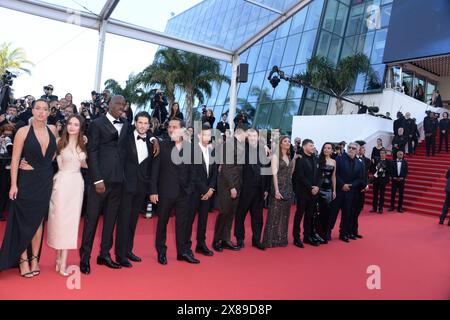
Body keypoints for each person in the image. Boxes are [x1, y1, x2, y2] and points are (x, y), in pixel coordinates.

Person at [0, 99, 57, 277]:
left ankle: (35, 260)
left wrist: (43, 165)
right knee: (23, 220)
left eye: (45, 109)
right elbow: (15, 159)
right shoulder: (23, 132)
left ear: (49, 112)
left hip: (44, 181)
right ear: (32, 111)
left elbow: (54, 154)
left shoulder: (54, 130)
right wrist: (14, 185)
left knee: (38, 221)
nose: (41, 112)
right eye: (38, 108)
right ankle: (23, 259)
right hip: (26, 182)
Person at [79, 95, 130, 275]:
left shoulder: (126, 124)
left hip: (118, 181)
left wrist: (154, 139)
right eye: (117, 103)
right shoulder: (97, 123)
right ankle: (84, 258)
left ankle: (104, 255)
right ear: (108, 105)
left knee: (110, 221)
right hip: (99, 182)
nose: (121, 106)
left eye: (123, 104)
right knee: (91, 221)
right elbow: (92, 152)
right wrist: (97, 179)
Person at [150, 118, 197, 265]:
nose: (171, 129)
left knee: (182, 224)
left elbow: (193, 172)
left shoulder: (190, 148)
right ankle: (161, 252)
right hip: (165, 192)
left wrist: (189, 189)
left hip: (184, 193)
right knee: (162, 223)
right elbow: (154, 171)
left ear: (183, 129)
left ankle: (182, 252)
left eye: (174, 127)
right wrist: (153, 191)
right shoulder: (162, 146)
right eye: (169, 127)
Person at [47, 115, 87, 277]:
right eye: (70, 123)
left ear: (80, 127)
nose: (72, 127)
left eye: (76, 124)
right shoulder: (58, 142)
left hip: (77, 184)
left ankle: (63, 261)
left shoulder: (83, 143)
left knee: (71, 223)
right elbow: (45, 160)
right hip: (62, 183)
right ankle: (58, 258)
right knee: (59, 221)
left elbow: (86, 164)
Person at [115, 112, 156, 267]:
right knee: (124, 221)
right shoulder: (126, 136)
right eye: (140, 123)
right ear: (136, 123)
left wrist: (152, 137)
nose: (143, 126)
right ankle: (120, 255)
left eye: (146, 123)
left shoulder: (151, 141)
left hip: (141, 187)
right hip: (126, 186)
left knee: (133, 221)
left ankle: (128, 250)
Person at [212, 126, 247, 252]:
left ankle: (226, 239)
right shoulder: (229, 144)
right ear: (241, 133)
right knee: (223, 212)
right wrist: (232, 187)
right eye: (247, 134)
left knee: (231, 213)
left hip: (237, 184)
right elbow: (225, 167)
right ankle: (216, 240)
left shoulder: (240, 145)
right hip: (227, 184)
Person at [234, 128, 269, 250]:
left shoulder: (263, 150)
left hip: (259, 190)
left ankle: (256, 240)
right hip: (245, 189)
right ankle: (240, 239)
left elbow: (266, 170)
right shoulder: (241, 149)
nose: (253, 137)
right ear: (247, 137)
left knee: (258, 217)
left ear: (258, 137)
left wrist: (266, 189)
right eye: (250, 135)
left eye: (255, 135)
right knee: (240, 215)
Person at [187, 123, 218, 257]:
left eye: (209, 135)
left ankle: (201, 245)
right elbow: (192, 174)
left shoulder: (211, 151)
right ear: (199, 135)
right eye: (205, 134)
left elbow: (214, 173)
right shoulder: (191, 150)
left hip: (207, 193)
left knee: (203, 220)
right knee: (189, 221)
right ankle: (186, 247)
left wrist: (211, 189)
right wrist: (205, 190)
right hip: (193, 192)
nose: (208, 137)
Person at [262, 136, 294, 248]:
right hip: (278, 186)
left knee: (284, 215)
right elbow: (274, 174)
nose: (288, 143)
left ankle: (280, 239)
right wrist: (276, 190)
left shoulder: (289, 157)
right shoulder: (276, 156)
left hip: (288, 187)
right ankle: (270, 240)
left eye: (289, 141)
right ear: (280, 144)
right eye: (285, 141)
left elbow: (290, 174)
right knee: (274, 214)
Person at [328, 142, 364, 242]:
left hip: (350, 192)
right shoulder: (339, 159)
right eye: (349, 147)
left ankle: (343, 233)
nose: (351, 150)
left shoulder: (360, 163)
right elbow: (335, 174)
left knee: (347, 214)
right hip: (339, 190)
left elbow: (359, 178)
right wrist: (342, 184)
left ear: (357, 150)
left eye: (353, 148)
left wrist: (351, 185)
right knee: (333, 213)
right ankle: (327, 232)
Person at [292, 139, 322, 247]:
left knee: (310, 215)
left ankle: (307, 236)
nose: (313, 147)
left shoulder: (316, 158)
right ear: (304, 146)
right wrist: (311, 187)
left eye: (313, 145)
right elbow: (300, 176)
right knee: (299, 214)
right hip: (303, 192)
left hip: (314, 192)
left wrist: (317, 186)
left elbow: (320, 175)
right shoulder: (300, 158)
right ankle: (296, 237)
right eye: (311, 145)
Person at [317, 143, 336, 242]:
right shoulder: (318, 159)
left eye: (329, 148)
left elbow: (333, 176)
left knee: (327, 213)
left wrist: (334, 190)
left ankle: (325, 234)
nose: (326, 149)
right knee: (318, 213)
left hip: (328, 190)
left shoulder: (333, 161)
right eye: (324, 147)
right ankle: (317, 234)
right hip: (319, 189)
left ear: (332, 150)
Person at [350, 143, 371, 238]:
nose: (362, 149)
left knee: (358, 211)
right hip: (354, 190)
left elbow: (365, 175)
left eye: (363, 148)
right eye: (361, 148)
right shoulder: (352, 160)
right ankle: (350, 231)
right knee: (352, 212)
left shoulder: (365, 160)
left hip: (362, 190)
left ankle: (354, 231)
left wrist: (366, 185)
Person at [370, 148, 390, 214]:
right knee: (375, 194)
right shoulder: (376, 160)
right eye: (381, 153)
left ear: (385, 154)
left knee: (382, 195)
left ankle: (380, 208)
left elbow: (390, 171)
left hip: (383, 180)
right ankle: (374, 208)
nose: (382, 154)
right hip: (376, 179)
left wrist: (384, 170)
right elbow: (372, 169)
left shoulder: (388, 162)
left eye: (383, 153)